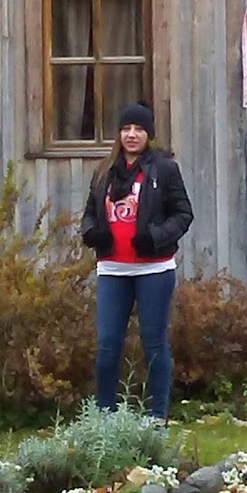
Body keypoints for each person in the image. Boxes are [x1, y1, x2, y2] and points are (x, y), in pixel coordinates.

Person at [80, 102, 193, 423]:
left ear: (149, 135)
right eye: (127, 129)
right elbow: (89, 212)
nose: (132, 135)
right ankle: (105, 416)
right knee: (107, 345)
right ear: (119, 133)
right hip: (112, 270)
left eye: (139, 129)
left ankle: (156, 416)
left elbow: (183, 214)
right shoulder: (103, 171)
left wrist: (156, 236)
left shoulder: (164, 169)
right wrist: (92, 233)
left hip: (153, 270)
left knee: (154, 343)